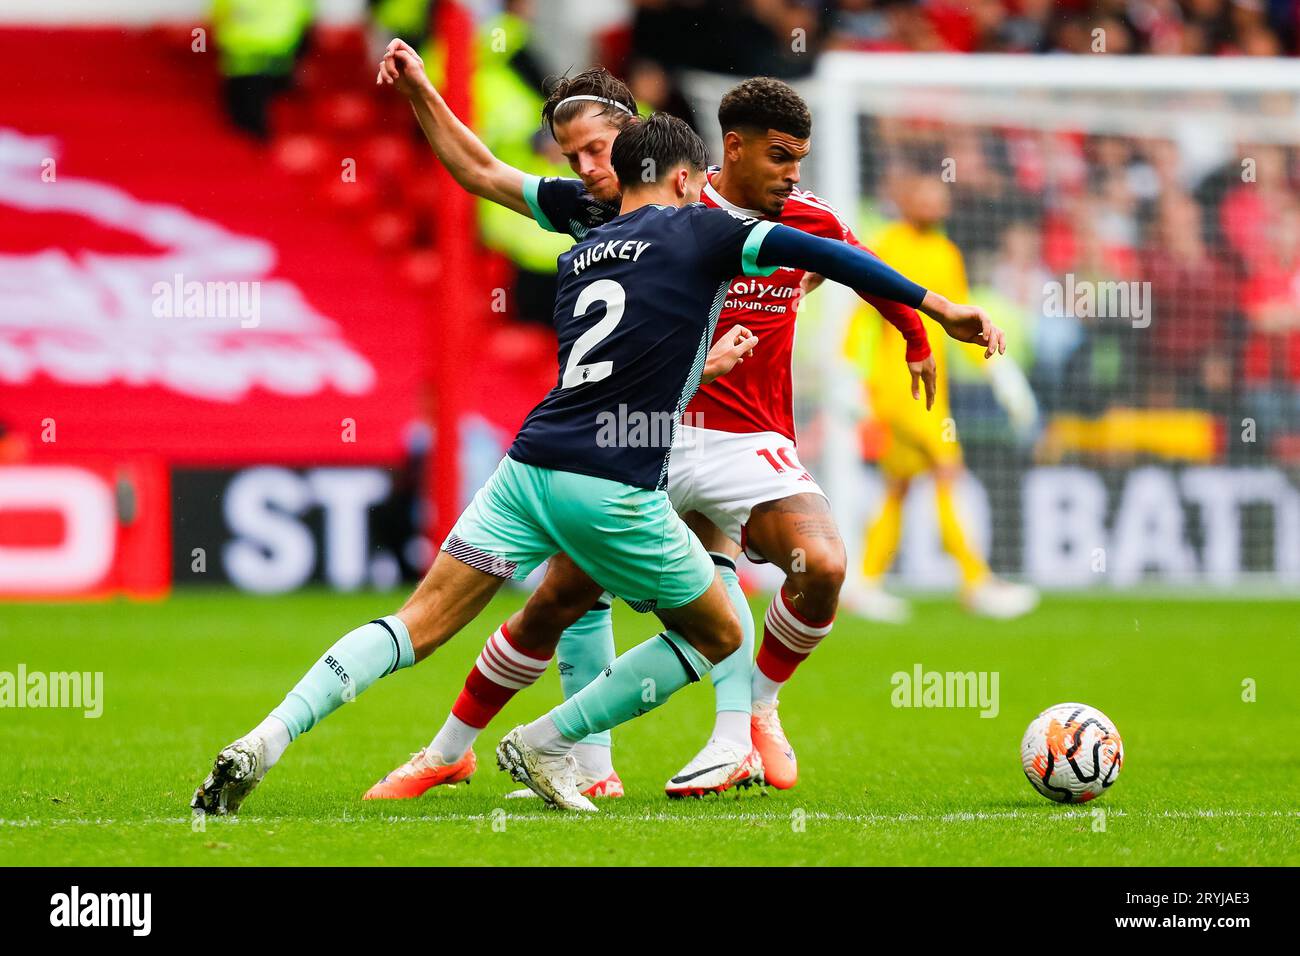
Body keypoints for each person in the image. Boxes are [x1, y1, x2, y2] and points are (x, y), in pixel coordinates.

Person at [190, 109, 994, 815]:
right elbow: (836, 258)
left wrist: (701, 368)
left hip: (527, 465)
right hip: (612, 480)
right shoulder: (703, 228)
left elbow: (625, 358)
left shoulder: (584, 250)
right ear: (685, 178)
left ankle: (267, 735)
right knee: (720, 631)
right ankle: (546, 739)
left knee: (417, 625)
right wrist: (937, 310)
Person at [841, 171, 1038, 623]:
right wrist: (852, 373)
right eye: (925, 195)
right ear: (906, 200)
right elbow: (864, 315)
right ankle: (975, 581)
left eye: (940, 196)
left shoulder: (947, 252)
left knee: (900, 485)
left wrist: (1002, 374)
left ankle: (865, 582)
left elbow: (963, 317)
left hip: (934, 391)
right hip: (900, 386)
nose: (935, 203)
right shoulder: (888, 242)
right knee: (949, 470)